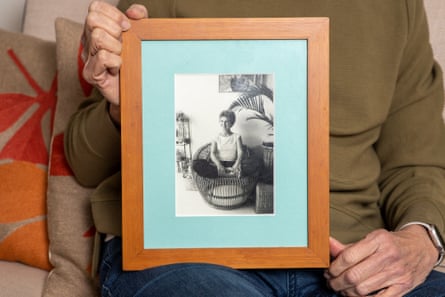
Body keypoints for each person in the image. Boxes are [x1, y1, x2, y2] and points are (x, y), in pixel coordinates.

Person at [65, 0, 445, 296]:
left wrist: (420, 240)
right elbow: (85, 163)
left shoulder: (398, 8)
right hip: (187, 258)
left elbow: (418, 163)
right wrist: (122, 107)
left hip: (351, 261)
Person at [193, 110, 244, 178]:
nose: (224, 124)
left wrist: (236, 165)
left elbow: (240, 152)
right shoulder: (216, 137)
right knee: (196, 164)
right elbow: (212, 153)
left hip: (232, 163)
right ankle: (228, 174)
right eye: (222, 121)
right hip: (219, 163)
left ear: (232, 123)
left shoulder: (237, 136)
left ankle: (227, 172)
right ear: (219, 122)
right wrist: (219, 165)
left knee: (253, 164)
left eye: (226, 122)